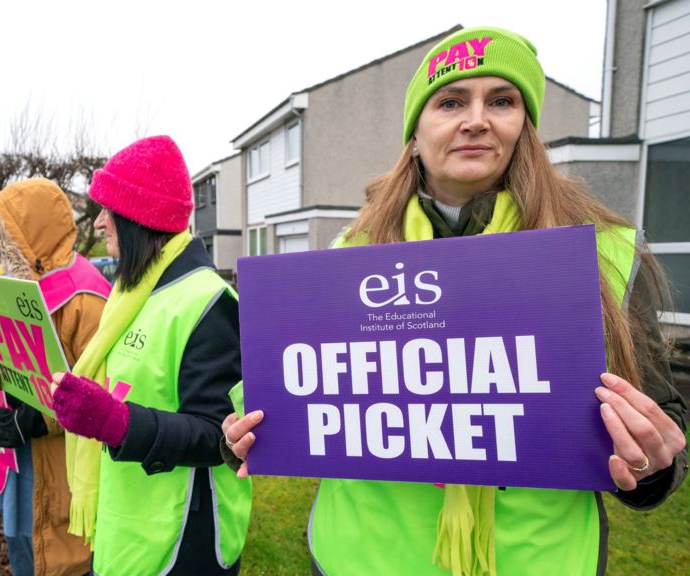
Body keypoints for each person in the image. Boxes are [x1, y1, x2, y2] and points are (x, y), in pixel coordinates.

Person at [221, 26, 688, 576]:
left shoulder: (604, 252)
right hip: (364, 556)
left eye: (502, 100)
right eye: (450, 101)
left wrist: (653, 463)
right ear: (415, 134)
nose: (476, 119)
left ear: (525, 127)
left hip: (538, 559)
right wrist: (245, 434)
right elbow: (288, 397)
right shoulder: (350, 254)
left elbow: (659, 430)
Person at [40, 136, 253, 575]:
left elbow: (220, 436)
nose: (99, 224)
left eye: (107, 211)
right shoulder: (130, 294)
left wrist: (117, 422)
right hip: (127, 521)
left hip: (182, 538)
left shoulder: (209, 300)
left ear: (138, 217)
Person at [0, 178, 110, 576]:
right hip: (28, 464)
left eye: (6, 237)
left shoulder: (86, 297)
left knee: (65, 559)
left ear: (32, 237)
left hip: (64, 470)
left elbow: (102, 393)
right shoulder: (28, 287)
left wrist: (35, 418)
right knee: (27, 549)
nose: (1, 249)